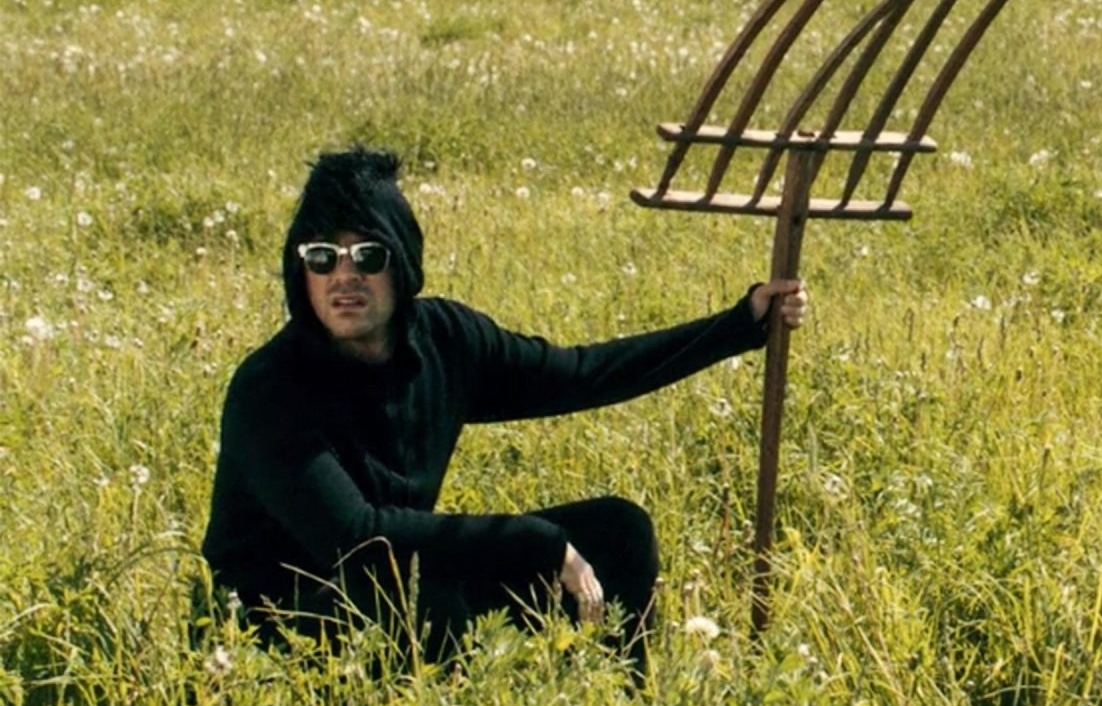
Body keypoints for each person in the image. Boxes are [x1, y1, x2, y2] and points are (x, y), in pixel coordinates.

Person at [198, 146, 806, 673]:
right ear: (301, 270)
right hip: (270, 627)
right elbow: (355, 539)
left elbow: (581, 374)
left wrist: (737, 325)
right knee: (427, 600)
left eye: (369, 256)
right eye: (323, 257)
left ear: (402, 263)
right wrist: (535, 543)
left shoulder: (445, 340)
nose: (344, 277)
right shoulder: (269, 388)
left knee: (617, 532)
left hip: (395, 583)